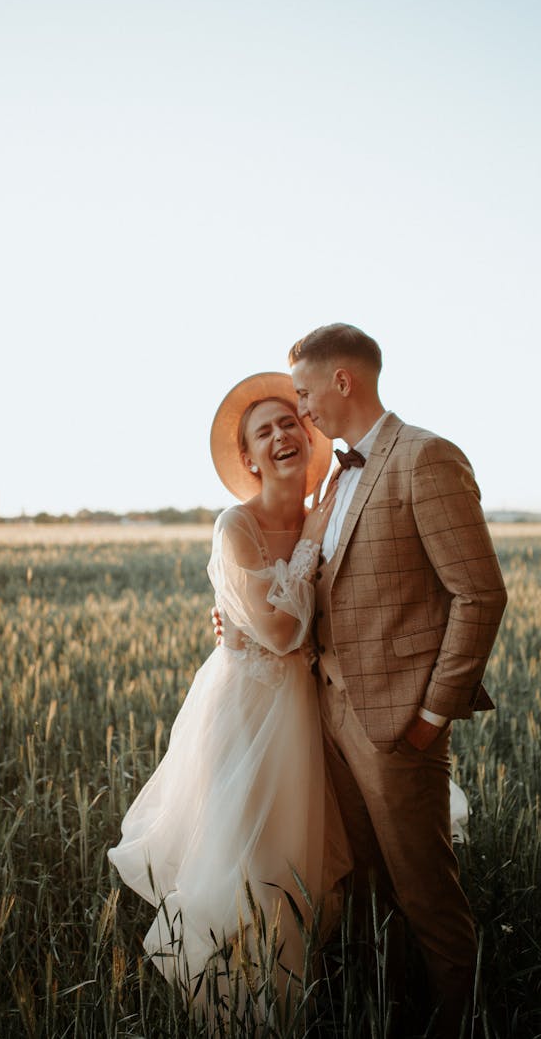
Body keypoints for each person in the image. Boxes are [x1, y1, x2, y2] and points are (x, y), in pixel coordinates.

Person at [288, 323, 508, 1039]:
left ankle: (459, 1025)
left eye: (304, 390)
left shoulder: (425, 457)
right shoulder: (331, 481)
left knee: (428, 899)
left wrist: (431, 716)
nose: (302, 407)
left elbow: (480, 595)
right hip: (329, 718)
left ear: (342, 380)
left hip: (398, 725)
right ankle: (387, 1013)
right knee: (365, 893)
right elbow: (309, 590)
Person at [108, 372, 352, 1013]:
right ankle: (231, 1005)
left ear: (308, 433)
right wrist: (305, 557)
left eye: (289, 423)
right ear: (247, 457)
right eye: (263, 431)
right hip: (247, 710)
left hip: (312, 707)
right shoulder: (234, 525)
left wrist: (314, 543)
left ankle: (296, 997)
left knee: (306, 859)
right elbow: (276, 633)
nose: (280, 436)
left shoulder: (327, 515)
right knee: (246, 851)